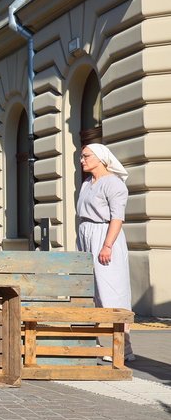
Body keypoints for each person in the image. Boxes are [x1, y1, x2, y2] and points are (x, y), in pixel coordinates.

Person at [76, 143, 135, 362]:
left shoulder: (114, 184)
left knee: (112, 289)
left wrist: (107, 245)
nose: (82, 160)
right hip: (87, 235)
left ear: (100, 158)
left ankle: (124, 348)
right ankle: (94, 340)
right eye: (82, 156)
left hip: (105, 235)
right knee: (93, 291)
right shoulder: (87, 183)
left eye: (86, 156)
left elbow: (117, 217)